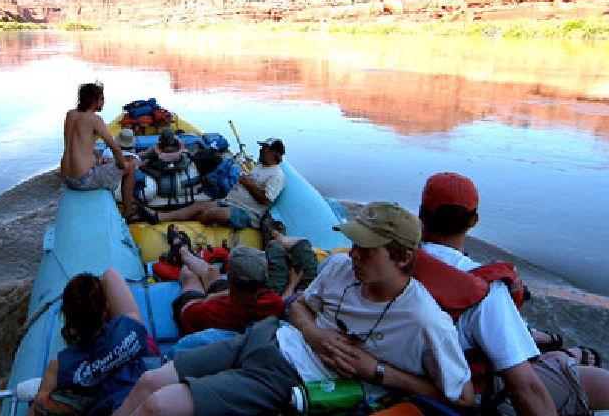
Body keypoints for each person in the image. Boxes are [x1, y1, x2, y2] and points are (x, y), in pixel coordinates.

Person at [113, 202, 474, 416]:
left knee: (160, 406)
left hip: (290, 379)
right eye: (353, 244)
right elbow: (298, 306)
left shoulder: (424, 321)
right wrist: (316, 335)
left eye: (366, 249)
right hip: (266, 337)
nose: (353, 255)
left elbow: (465, 397)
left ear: (402, 258)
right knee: (148, 380)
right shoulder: (340, 268)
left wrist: (379, 372)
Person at [415, 171, 609, 415]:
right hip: (478, 391)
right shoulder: (482, 289)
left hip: (421, 372)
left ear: (421, 213)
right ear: (474, 220)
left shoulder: (390, 263)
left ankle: (557, 353)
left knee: (551, 355)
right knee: (598, 378)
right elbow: (526, 388)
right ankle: (563, 357)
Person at [31, 269, 156, 416]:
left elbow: (39, 403)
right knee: (110, 275)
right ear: (105, 309)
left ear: (70, 321)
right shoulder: (130, 324)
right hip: (139, 373)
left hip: (109, 401)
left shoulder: (60, 365)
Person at [137, 137, 286, 229]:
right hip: (230, 202)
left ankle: (192, 224)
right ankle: (160, 217)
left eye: (264, 149)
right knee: (198, 205)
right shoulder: (261, 167)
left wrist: (246, 183)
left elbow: (266, 200)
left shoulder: (277, 175)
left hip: (247, 214)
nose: (260, 151)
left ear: (273, 153)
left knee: (210, 213)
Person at [173, 241, 297, 335]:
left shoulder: (212, 311)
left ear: (229, 277)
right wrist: (292, 284)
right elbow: (280, 302)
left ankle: (182, 253)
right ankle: (186, 254)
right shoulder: (272, 302)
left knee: (189, 275)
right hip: (233, 302)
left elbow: (187, 315)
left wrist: (209, 298)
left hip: (194, 310)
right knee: (212, 270)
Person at [60, 82, 138, 220]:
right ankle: (128, 212)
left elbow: (78, 146)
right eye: (102, 99)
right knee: (129, 167)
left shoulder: (70, 115)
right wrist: (122, 166)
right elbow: (115, 148)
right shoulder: (95, 119)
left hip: (66, 176)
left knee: (107, 160)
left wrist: (97, 158)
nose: (103, 102)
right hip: (82, 179)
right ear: (94, 101)